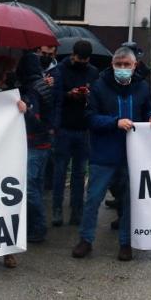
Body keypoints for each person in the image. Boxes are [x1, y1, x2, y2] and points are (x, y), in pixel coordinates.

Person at [72, 46, 151, 262]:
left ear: (135, 66)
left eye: (127, 65)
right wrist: (114, 122)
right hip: (103, 154)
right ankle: (85, 240)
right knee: (94, 199)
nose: (123, 69)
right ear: (112, 65)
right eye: (119, 65)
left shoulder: (142, 87)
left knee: (128, 201)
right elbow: (90, 118)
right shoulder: (99, 87)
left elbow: (147, 110)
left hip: (132, 156)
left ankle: (126, 243)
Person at [50, 40, 99, 226]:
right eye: (80, 58)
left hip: (83, 128)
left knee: (79, 173)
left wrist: (87, 95)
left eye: (85, 59)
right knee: (60, 171)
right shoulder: (60, 70)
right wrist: (68, 94)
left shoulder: (93, 72)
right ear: (73, 54)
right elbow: (55, 96)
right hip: (63, 127)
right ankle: (56, 209)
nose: (82, 62)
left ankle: (77, 211)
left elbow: (96, 97)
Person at [14, 52, 54, 253]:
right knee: (35, 187)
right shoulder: (42, 85)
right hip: (43, 144)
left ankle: (38, 228)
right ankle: (36, 227)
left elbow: (36, 120)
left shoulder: (33, 89)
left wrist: (25, 110)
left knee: (30, 188)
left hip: (35, 144)